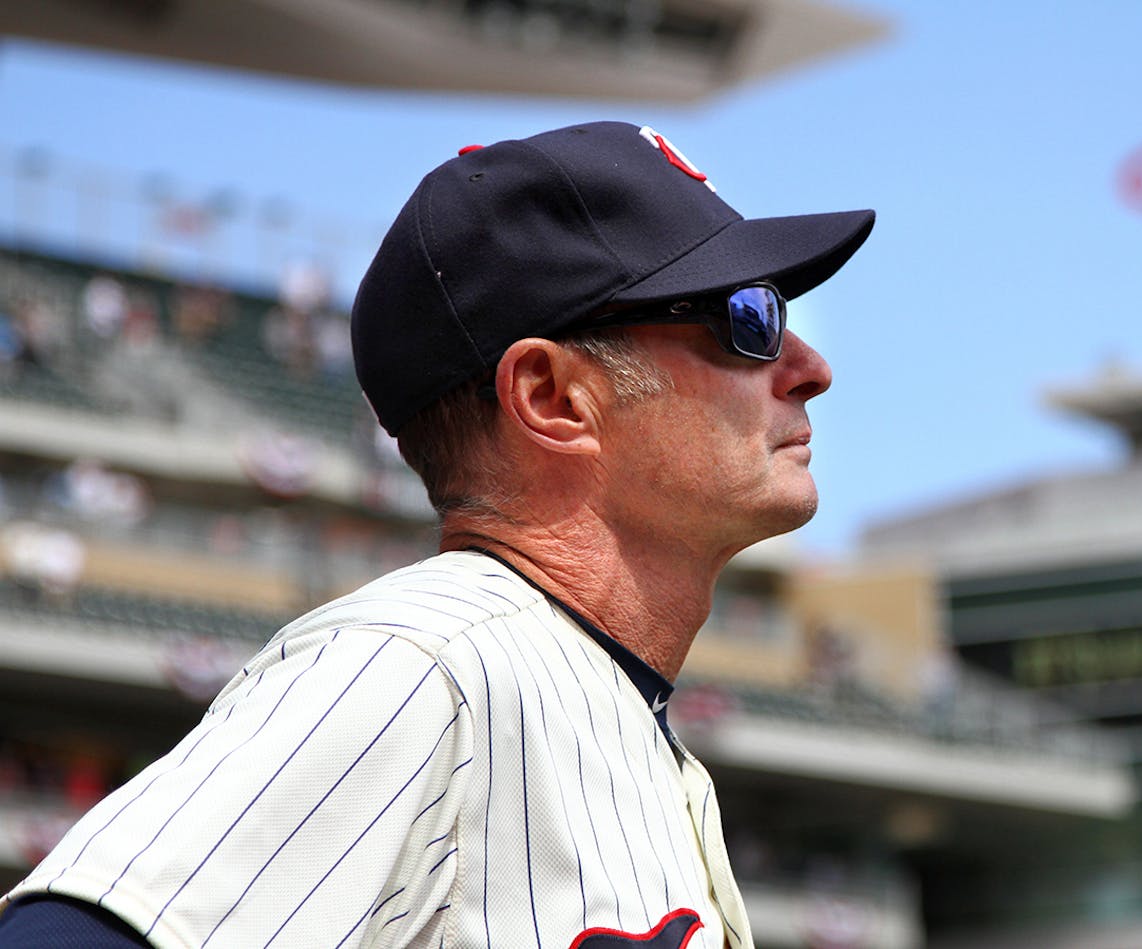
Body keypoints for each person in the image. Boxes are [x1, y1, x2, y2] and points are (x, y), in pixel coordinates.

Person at [0, 120, 874, 948]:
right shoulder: (421, 665)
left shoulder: (606, 701)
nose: (810, 369)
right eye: (750, 319)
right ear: (552, 398)